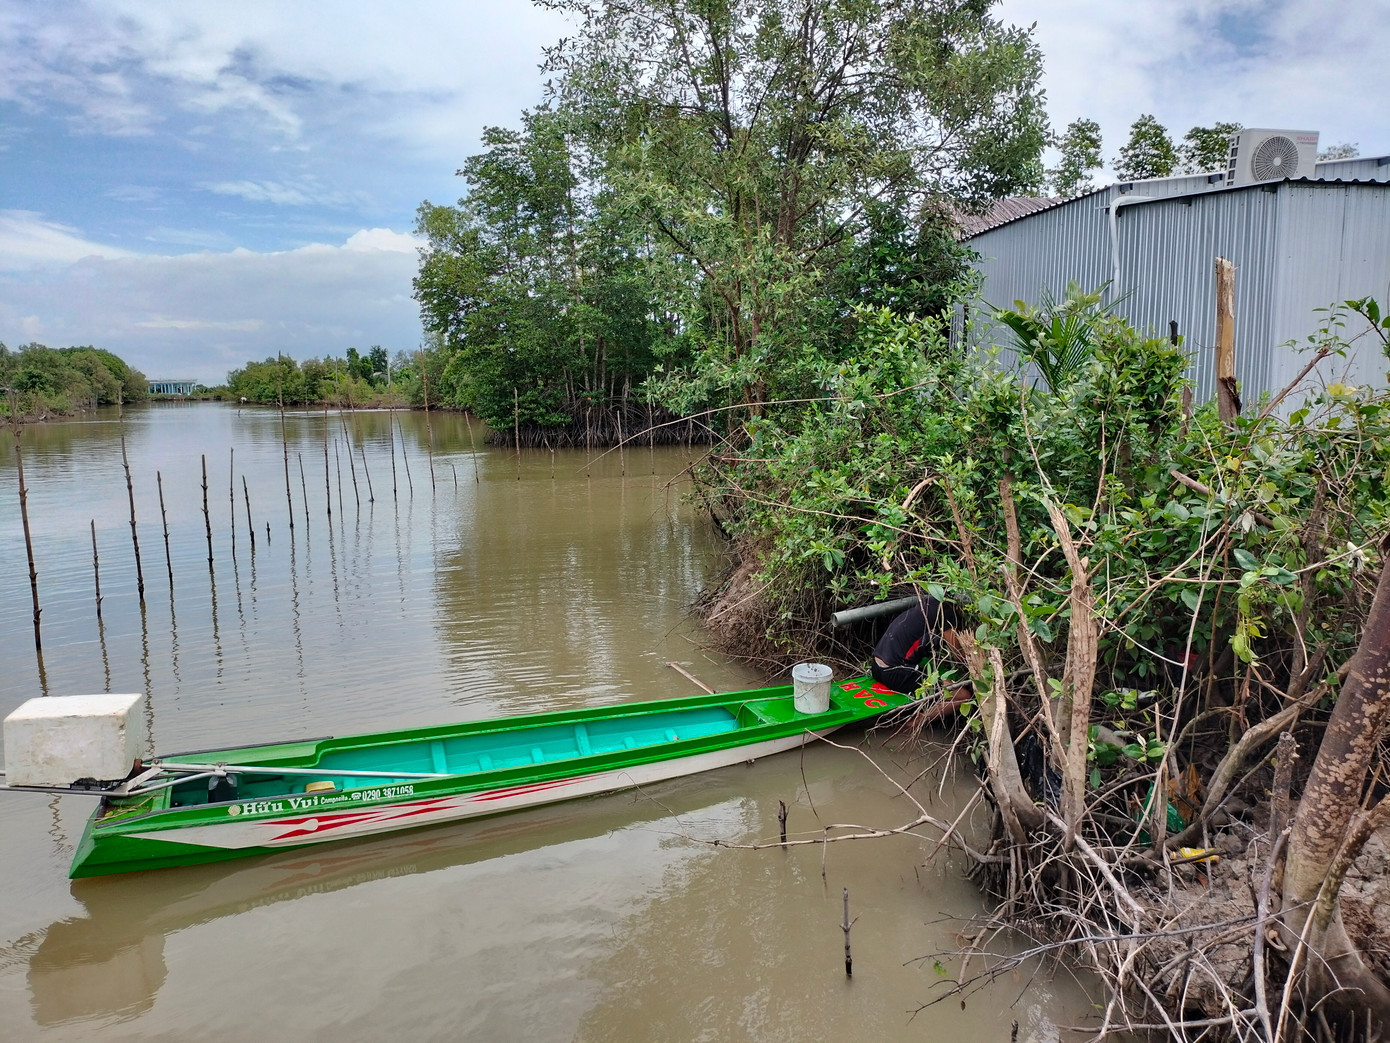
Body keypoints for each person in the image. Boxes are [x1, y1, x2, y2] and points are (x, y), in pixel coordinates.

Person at [870, 596, 962, 695]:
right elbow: (958, 655)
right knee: (962, 695)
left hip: (876, 667)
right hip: (895, 673)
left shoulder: (926, 605)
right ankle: (924, 711)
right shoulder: (945, 612)